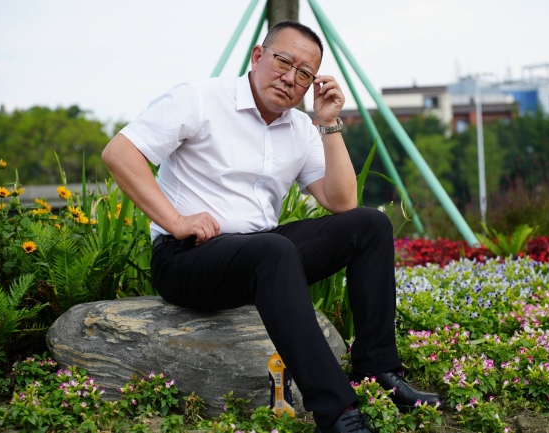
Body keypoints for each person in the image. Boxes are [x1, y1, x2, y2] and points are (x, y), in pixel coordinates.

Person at [102, 20, 439, 433]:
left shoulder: (299, 128)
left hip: (260, 255)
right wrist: (176, 220)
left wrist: (328, 123)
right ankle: (338, 414)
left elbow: (342, 202)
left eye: (305, 73)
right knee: (273, 250)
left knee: (370, 224)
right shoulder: (200, 99)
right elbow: (120, 152)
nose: (291, 78)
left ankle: (378, 371)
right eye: (284, 61)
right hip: (188, 258)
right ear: (258, 56)